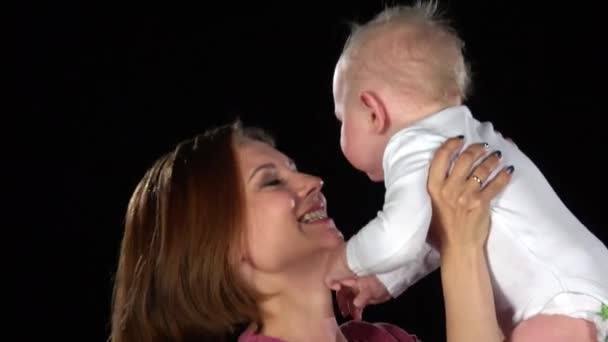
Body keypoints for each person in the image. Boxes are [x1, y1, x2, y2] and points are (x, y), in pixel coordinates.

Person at [324, 1, 608, 341]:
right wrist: (385, 279)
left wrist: (343, 260)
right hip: (583, 288)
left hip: (558, 305)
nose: (340, 132)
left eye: (342, 119)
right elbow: (445, 229)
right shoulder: (464, 135)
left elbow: (398, 235)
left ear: (373, 112)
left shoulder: (413, 144)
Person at [109, 121, 512, 341]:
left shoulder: (379, 338)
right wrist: (459, 245)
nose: (313, 181)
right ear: (221, 243)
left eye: (293, 168)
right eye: (271, 182)